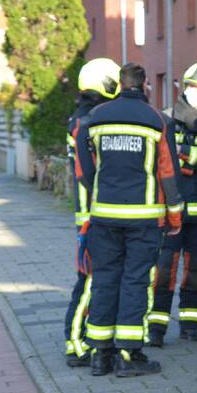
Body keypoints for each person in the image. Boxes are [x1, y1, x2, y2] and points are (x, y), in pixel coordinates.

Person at [76, 63, 183, 377]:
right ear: (145, 85)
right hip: (144, 218)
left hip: (104, 216)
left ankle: (100, 355)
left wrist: (102, 189)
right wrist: (174, 217)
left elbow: (84, 171)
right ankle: (129, 354)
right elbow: (168, 174)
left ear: (119, 84)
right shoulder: (158, 120)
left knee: (105, 279)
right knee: (135, 280)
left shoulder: (94, 119)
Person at [147, 60, 197, 345]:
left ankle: (192, 325)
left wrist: (181, 152)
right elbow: (161, 159)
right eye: (192, 86)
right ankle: (155, 328)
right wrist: (191, 160)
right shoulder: (165, 117)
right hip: (172, 209)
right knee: (164, 270)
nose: (195, 91)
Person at [64, 57, 121, 368]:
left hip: (90, 213)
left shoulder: (81, 117)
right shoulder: (87, 122)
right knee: (87, 281)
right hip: (91, 215)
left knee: (95, 280)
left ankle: (90, 338)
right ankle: (75, 343)